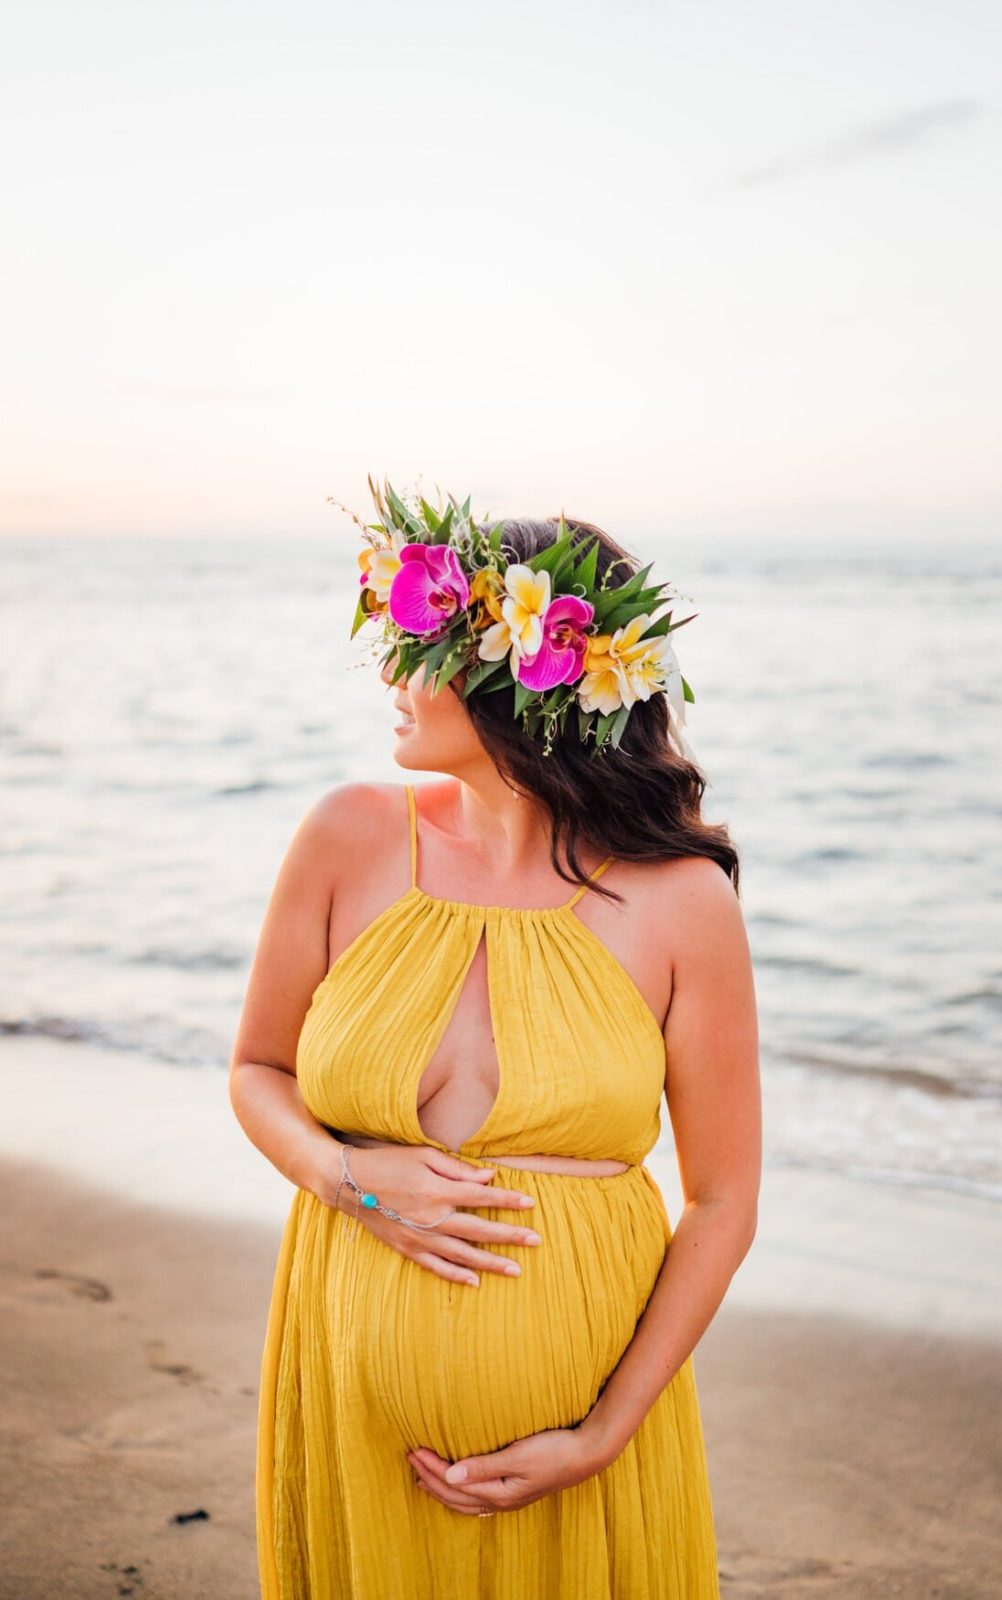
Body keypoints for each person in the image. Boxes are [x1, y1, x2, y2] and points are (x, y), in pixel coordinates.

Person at [230, 481, 761, 1599]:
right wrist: (347, 1178)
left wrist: (604, 1433)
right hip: (348, 1397)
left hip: (578, 1443)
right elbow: (258, 1071)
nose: (389, 675)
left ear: (519, 674)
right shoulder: (345, 835)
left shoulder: (678, 902)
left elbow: (720, 1200)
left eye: (420, 647)